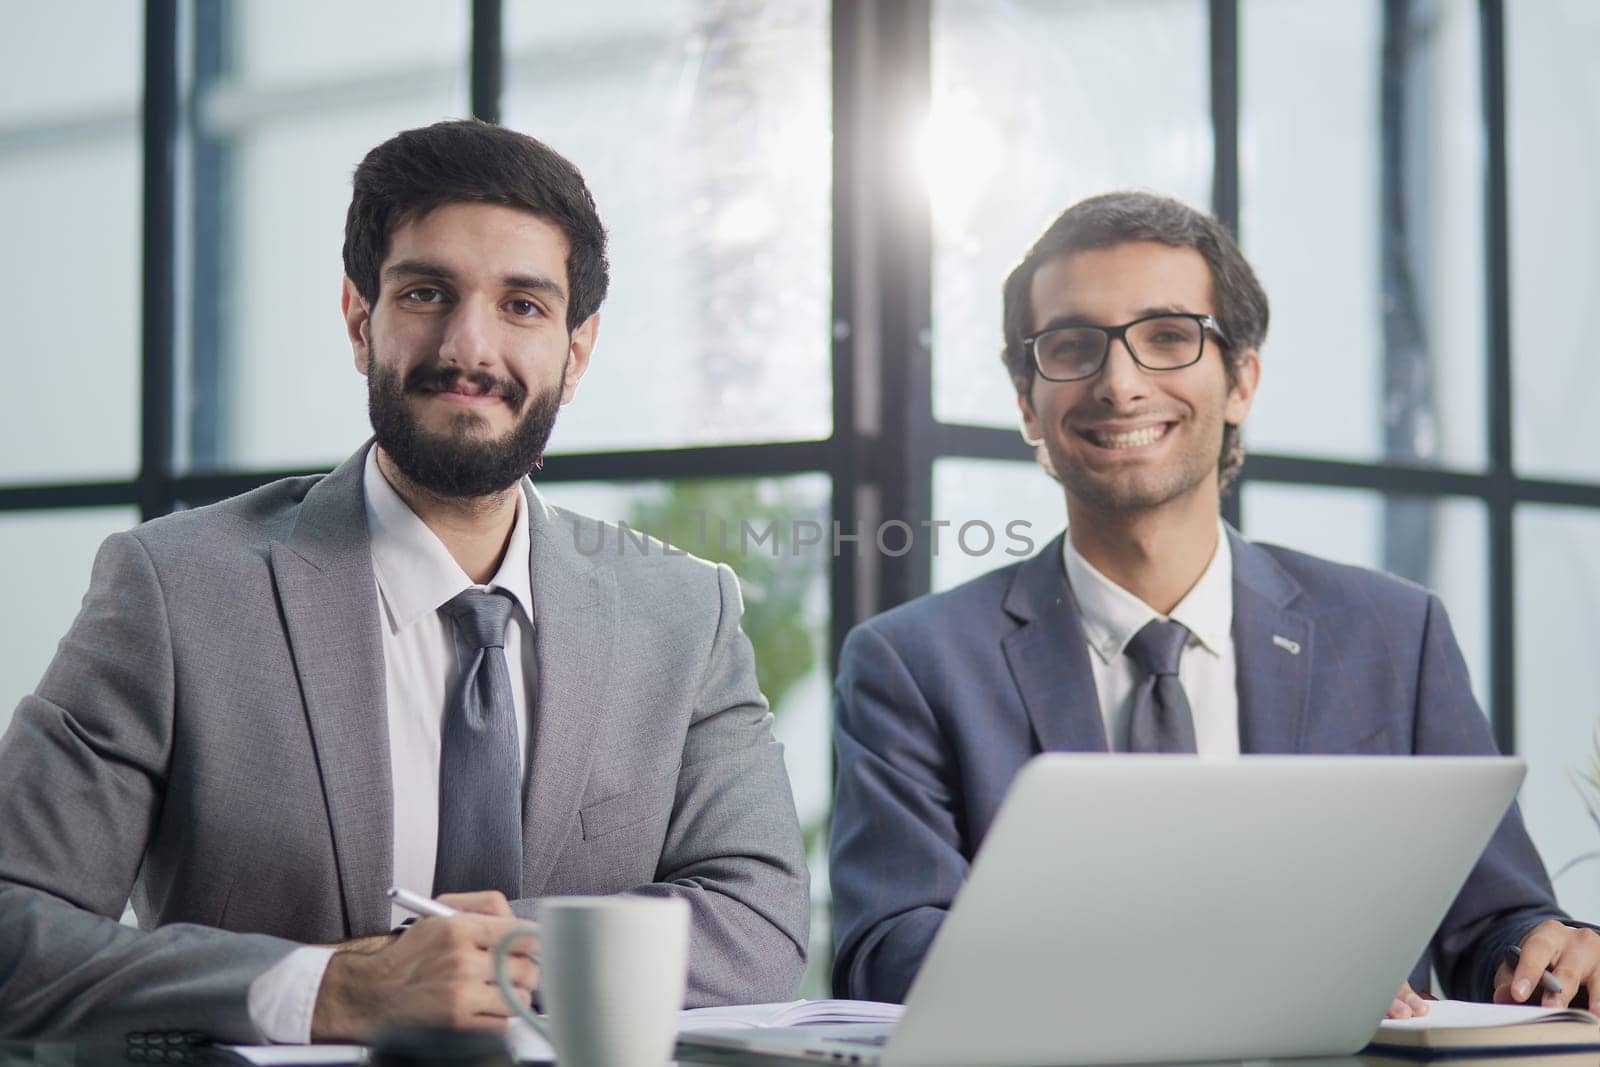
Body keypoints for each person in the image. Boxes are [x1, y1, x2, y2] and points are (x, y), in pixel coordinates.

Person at [0, 119, 809, 1043]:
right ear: (360, 319)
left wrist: (505, 952)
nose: (470, 348)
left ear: (576, 353)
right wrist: (330, 989)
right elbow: (15, 928)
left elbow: (761, 921)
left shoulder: (683, 612)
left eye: (524, 306)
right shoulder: (177, 589)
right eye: (428, 293)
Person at [829, 190, 1598, 1014]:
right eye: (1073, 345)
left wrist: (1545, 955)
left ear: (1241, 382)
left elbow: (1498, 923)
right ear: (1027, 402)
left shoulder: (1392, 634)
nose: (1119, 384)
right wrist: (1215, 972)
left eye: (1167, 337)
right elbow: (890, 950)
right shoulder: (913, 662)